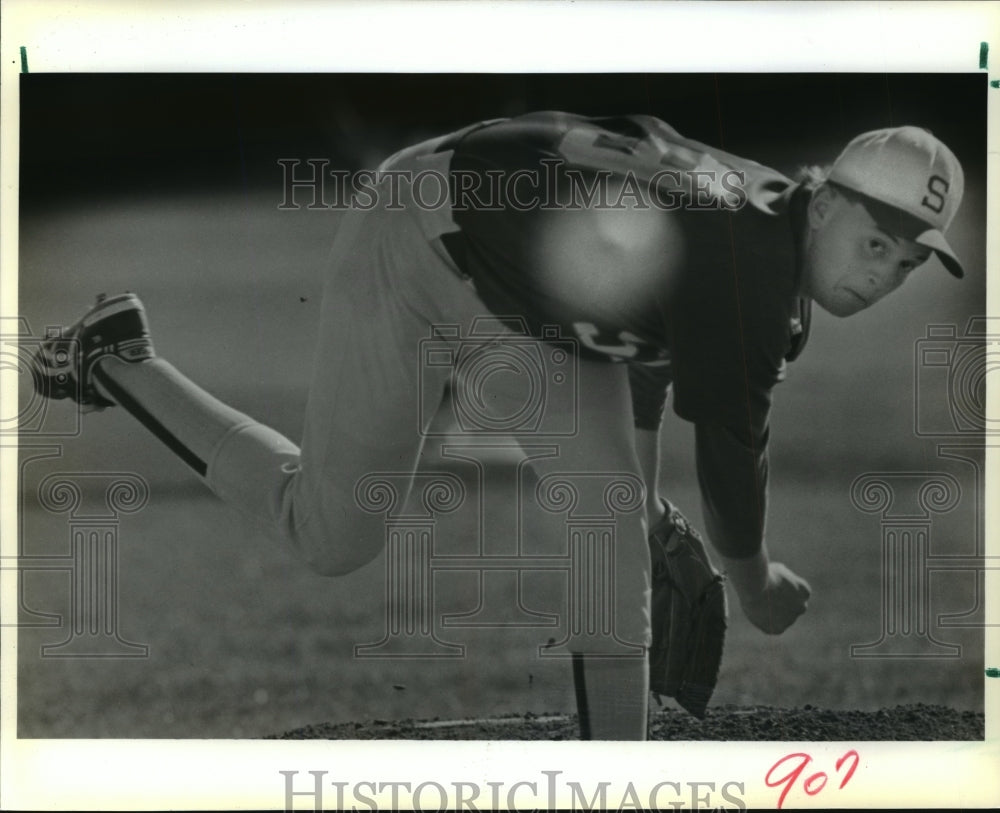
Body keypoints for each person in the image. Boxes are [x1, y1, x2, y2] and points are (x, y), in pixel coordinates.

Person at [31, 111, 965, 740]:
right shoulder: (755, 275)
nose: (880, 272)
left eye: (905, 259)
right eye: (872, 239)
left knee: (612, 529)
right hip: (420, 239)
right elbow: (730, 461)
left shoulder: (768, 223)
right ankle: (116, 357)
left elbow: (643, 336)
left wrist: (639, 511)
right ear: (828, 200)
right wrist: (754, 580)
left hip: (530, 292)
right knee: (330, 535)